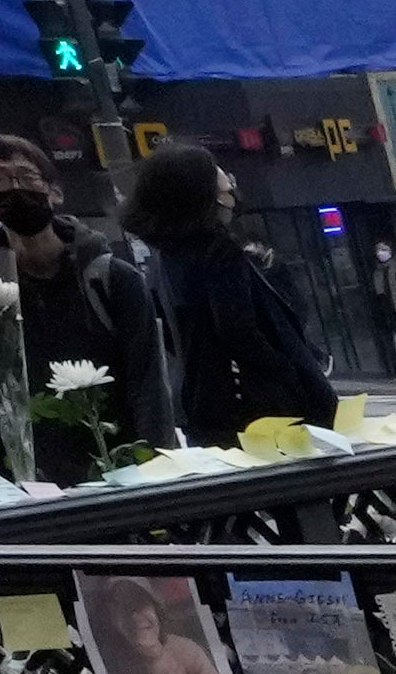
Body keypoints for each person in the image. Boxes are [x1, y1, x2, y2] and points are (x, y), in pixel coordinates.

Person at [0, 142, 157, 486]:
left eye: (27, 176)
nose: (15, 189)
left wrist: (155, 472)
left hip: (119, 460)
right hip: (33, 475)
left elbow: (148, 385)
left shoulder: (112, 277)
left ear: (54, 191)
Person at [119, 152, 339, 450]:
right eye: (223, 183)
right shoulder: (219, 251)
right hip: (259, 407)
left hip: (203, 402)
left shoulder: (164, 255)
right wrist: (288, 371)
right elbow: (237, 329)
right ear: (204, 195)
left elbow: (171, 335)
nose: (231, 189)